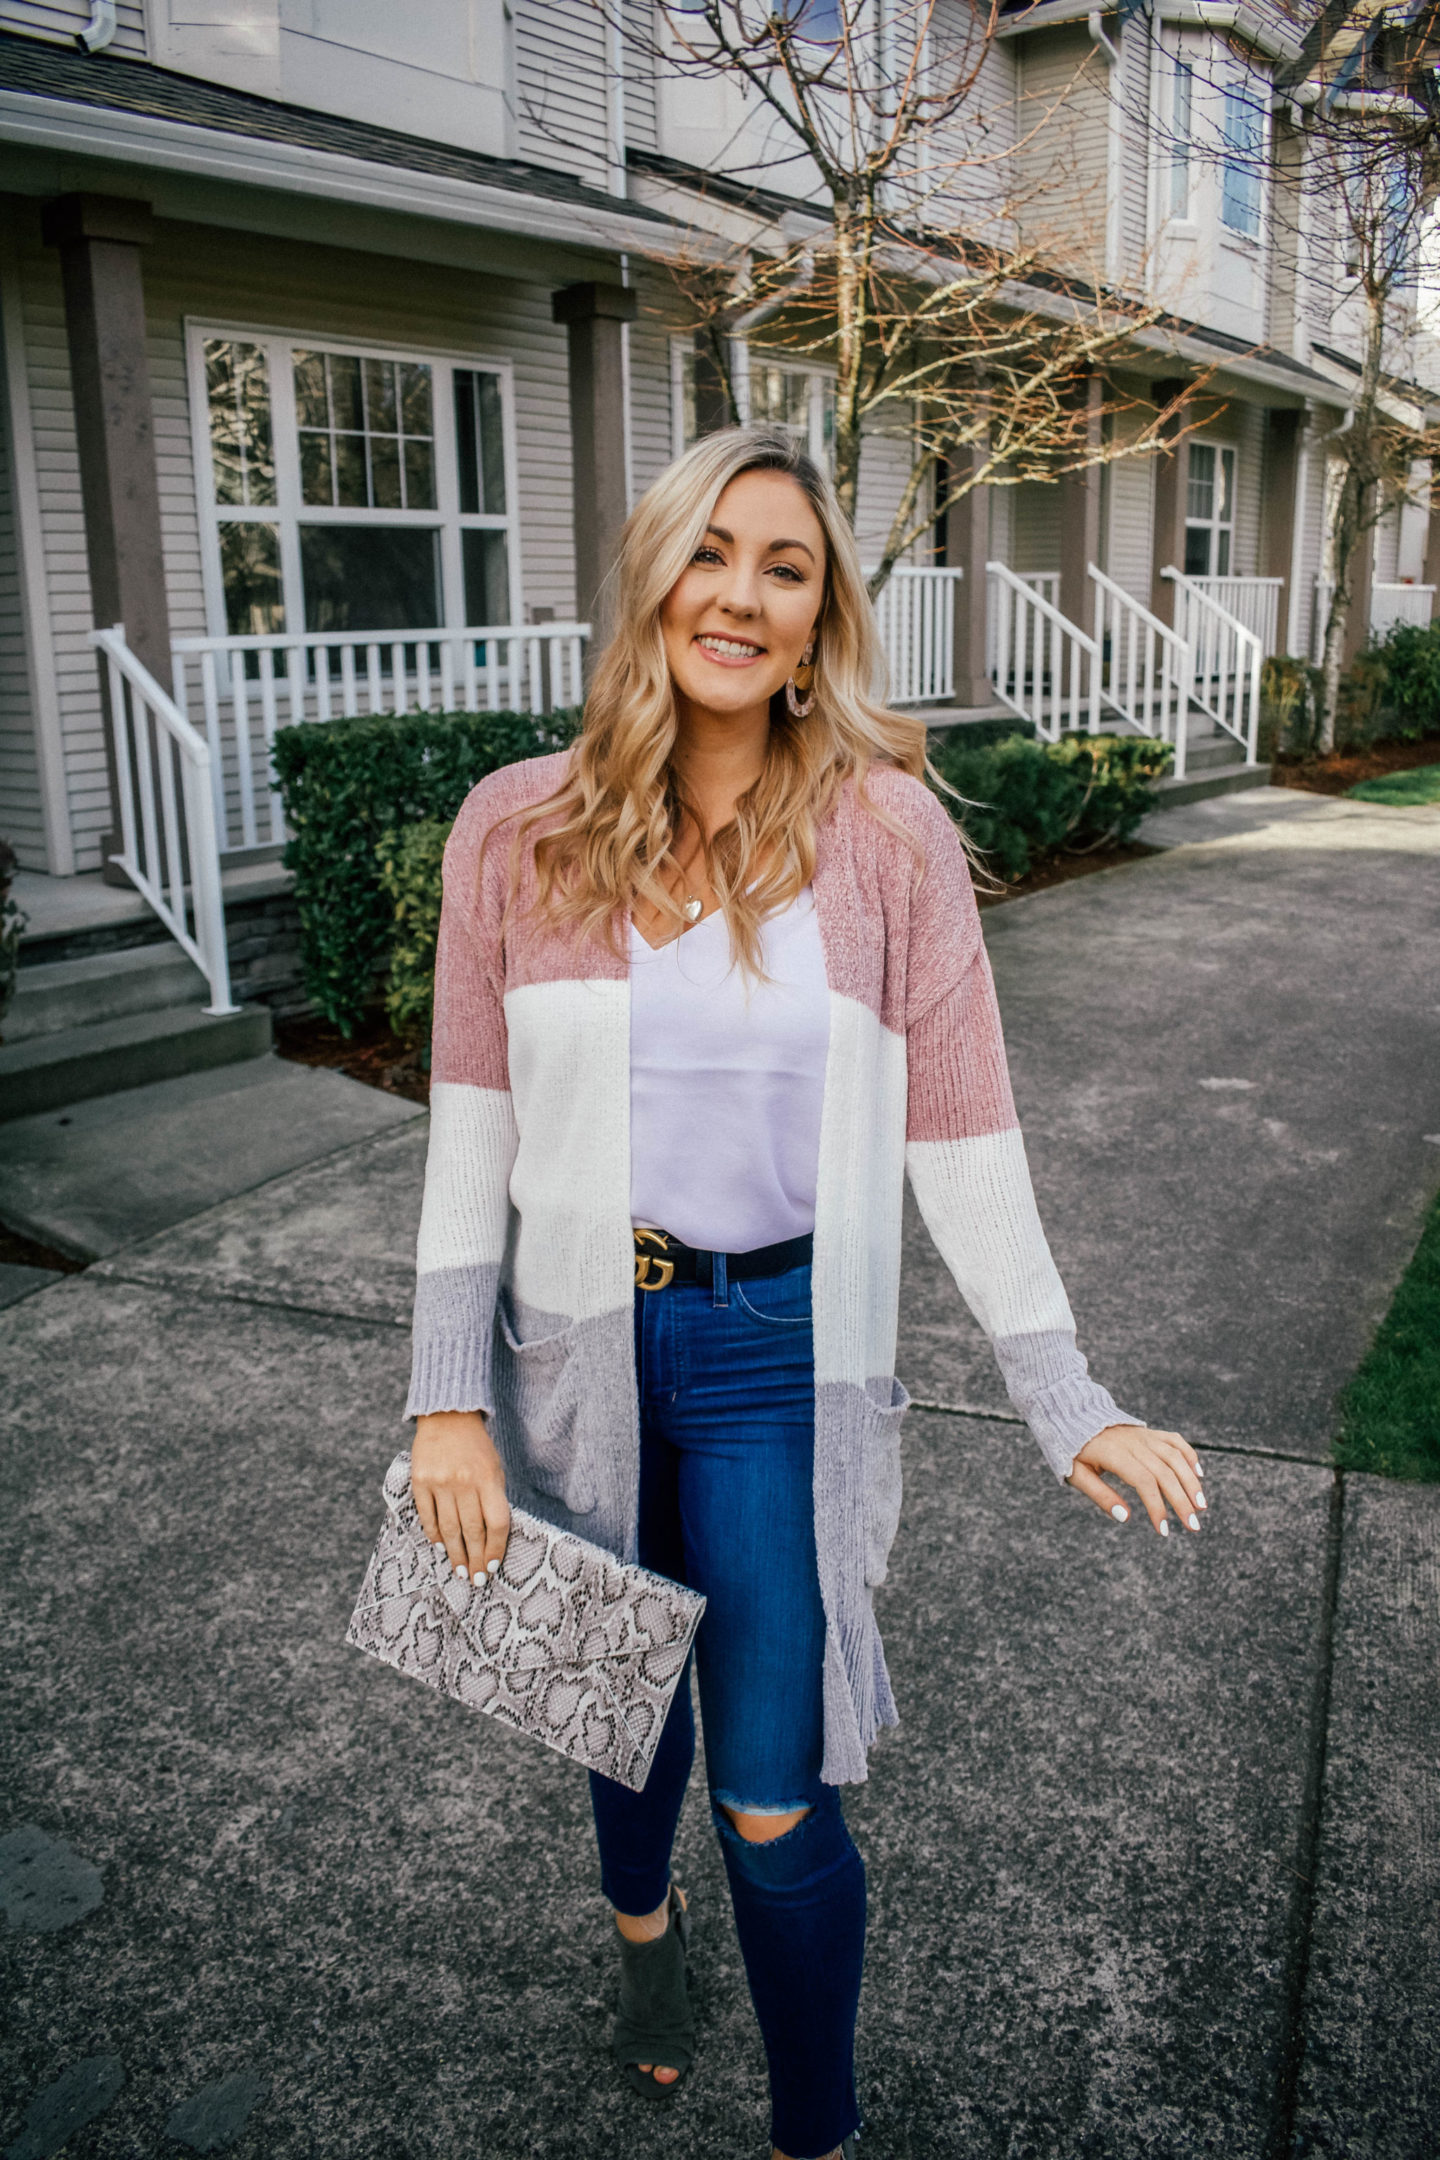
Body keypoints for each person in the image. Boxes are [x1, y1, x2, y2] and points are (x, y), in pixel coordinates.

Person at [403, 427, 1204, 2160]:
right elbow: (471, 1132)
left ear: (821, 609)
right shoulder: (516, 831)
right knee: (612, 1712)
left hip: (782, 1358)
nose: (744, 595)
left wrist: (1068, 1393)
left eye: (787, 565)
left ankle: (817, 2134)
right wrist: (444, 1395)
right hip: (575, 1343)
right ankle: (641, 1947)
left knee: (774, 1793)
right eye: (713, 552)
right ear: (654, 578)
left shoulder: (889, 836)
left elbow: (965, 1129)